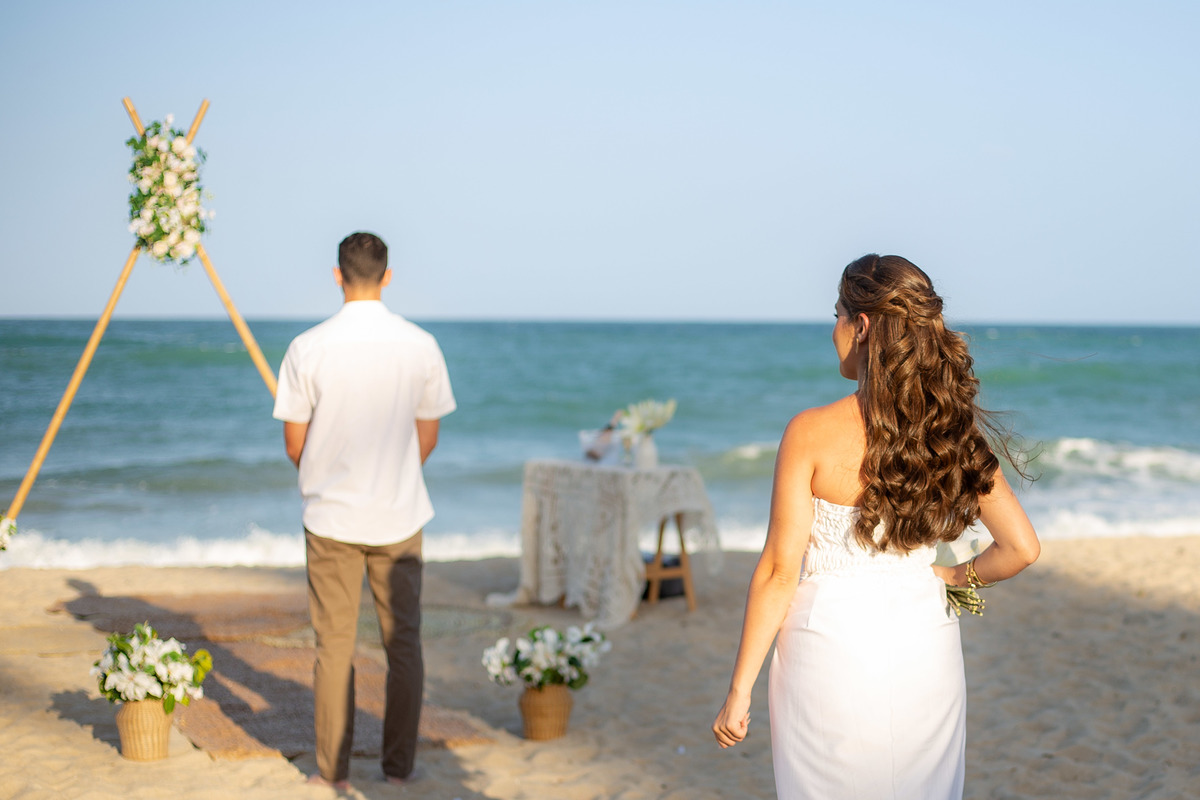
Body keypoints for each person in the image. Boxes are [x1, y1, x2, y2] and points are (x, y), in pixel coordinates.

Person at [712, 254, 1040, 799]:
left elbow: (777, 572)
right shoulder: (952, 433)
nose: (833, 331)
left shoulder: (809, 432)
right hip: (926, 642)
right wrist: (951, 579)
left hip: (828, 645)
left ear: (861, 326)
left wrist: (739, 689)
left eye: (837, 315)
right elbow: (1021, 548)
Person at [273, 232, 456, 789]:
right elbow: (428, 436)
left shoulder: (307, 347)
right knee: (404, 645)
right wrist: (392, 477)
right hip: (399, 514)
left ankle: (331, 774)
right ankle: (398, 769)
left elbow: (295, 445)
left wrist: (331, 476)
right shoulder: (421, 345)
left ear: (337, 275)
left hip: (331, 518)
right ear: (388, 276)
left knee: (334, 647)